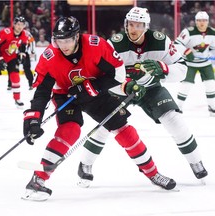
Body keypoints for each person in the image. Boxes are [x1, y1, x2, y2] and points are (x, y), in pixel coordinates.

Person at [22, 16, 177, 201]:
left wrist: (93, 87)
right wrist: (33, 118)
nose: (63, 45)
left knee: (125, 131)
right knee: (69, 130)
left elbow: (117, 73)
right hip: (66, 95)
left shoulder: (96, 45)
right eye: (59, 40)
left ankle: (152, 173)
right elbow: (41, 91)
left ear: (77, 36)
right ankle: (38, 180)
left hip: (95, 91)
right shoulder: (50, 56)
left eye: (68, 40)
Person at [76, 7, 208, 188]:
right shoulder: (114, 43)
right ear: (126, 24)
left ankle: (195, 161)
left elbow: (182, 69)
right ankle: (86, 163)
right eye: (131, 24)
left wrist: (164, 68)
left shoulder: (160, 41)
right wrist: (124, 83)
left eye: (138, 25)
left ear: (146, 26)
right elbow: (101, 74)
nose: (134, 29)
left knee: (174, 119)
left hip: (151, 87)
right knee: (106, 123)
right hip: (122, 88)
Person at [174, 11, 215, 116]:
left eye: (204, 20)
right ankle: (178, 107)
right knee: (186, 85)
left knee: (211, 85)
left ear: (207, 21)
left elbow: (213, 48)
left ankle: (212, 107)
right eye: (199, 20)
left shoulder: (213, 32)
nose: (202, 23)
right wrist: (186, 52)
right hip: (190, 64)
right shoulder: (188, 32)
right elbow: (177, 44)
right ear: (196, 22)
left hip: (206, 63)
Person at [0, 16, 29, 108]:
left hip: (11, 57)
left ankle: (17, 99)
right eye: (18, 24)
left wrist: (22, 55)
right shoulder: (5, 32)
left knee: (15, 77)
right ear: (14, 24)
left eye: (22, 25)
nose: (20, 27)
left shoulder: (24, 34)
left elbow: (23, 46)